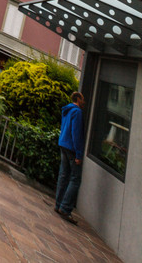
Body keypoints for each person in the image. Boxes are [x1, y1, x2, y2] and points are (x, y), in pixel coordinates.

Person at [55, 91, 85, 223]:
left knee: (63, 175)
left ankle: (58, 204)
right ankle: (65, 208)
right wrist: (79, 154)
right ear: (78, 99)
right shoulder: (77, 112)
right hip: (72, 148)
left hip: (63, 144)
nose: (84, 102)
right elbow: (76, 133)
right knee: (75, 179)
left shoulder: (66, 110)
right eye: (82, 99)